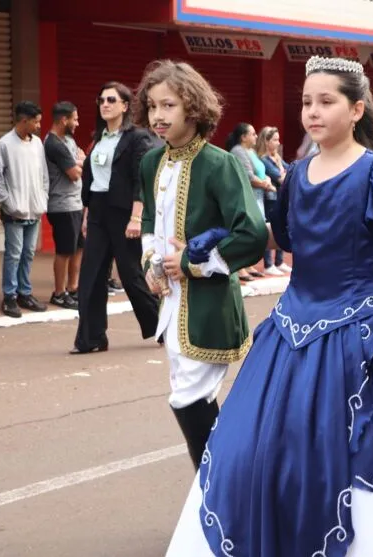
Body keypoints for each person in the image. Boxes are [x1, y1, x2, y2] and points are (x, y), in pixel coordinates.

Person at [165, 56, 373, 556]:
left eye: (326, 101)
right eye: (305, 102)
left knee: (363, 457)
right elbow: (287, 238)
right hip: (294, 329)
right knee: (253, 453)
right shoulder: (295, 174)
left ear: (356, 108)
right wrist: (220, 244)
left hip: (365, 328)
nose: (312, 112)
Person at [135, 59, 267, 471]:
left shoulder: (220, 163)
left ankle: (214, 496)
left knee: (187, 397)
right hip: (171, 305)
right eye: (153, 106)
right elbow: (151, 226)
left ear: (193, 107)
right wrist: (152, 265)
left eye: (169, 105)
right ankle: (225, 496)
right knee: (190, 394)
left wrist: (191, 260)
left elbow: (253, 234)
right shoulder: (150, 163)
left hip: (210, 307)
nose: (158, 116)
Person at [71, 81, 158, 354]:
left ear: (124, 105)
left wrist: (136, 217)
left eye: (111, 100)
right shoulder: (99, 139)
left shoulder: (137, 137)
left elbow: (140, 180)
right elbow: (92, 180)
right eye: (101, 100)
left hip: (124, 213)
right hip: (98, 210)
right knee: (91, 275)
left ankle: (162, 326)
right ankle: (91, 338)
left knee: (131, 275)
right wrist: (87, 214)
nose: (105, 104)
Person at [0, 101, 49, 318]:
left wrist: (42, 198)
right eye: (35, 122)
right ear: (24, 121)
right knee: (13, 255)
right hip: (14, 212)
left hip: (34, 209)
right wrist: (9, 203)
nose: (38, 126)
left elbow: (44, 175)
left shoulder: (37, 144)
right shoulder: (4, 145)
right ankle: (9, 297)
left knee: (27, 254)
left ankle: (24, 293)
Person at [44, 101, 85, 310]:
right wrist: (78, 164)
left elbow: (81, 158)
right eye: (74, 119)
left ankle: (73, 288)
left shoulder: (67, 139)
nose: (77, 123)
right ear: (64, 120)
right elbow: (74, 173)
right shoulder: (53, 144)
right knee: (64, 251)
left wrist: (78, 162)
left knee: (78, 247)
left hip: (76, 204)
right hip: (62, 205)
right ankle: (59, 293)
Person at [227, 123, 272, 282]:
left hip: (258, 196)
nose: (255, 137)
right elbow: (248, 175)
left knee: (254, 230)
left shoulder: (251, 151)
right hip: (246, 196)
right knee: (245, 230)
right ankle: (239, 268)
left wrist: (266, 179)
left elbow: (261, 171)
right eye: (252, 134)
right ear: (243, 137)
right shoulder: (238, 151)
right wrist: (267, 185)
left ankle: (248, 265)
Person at [257, 126, 292, 276]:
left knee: (283, 226)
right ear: (266, 141)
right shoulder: (264, 160)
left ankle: (279, 261)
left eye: (278, 139)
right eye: (275, 140)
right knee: (272, 229)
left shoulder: (277, 158)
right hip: (270, 199)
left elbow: (290, 171)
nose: (278, 143)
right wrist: (284, 173)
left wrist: (284, 173)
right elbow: (281, 177)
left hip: (281, 198)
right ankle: (268, 264)